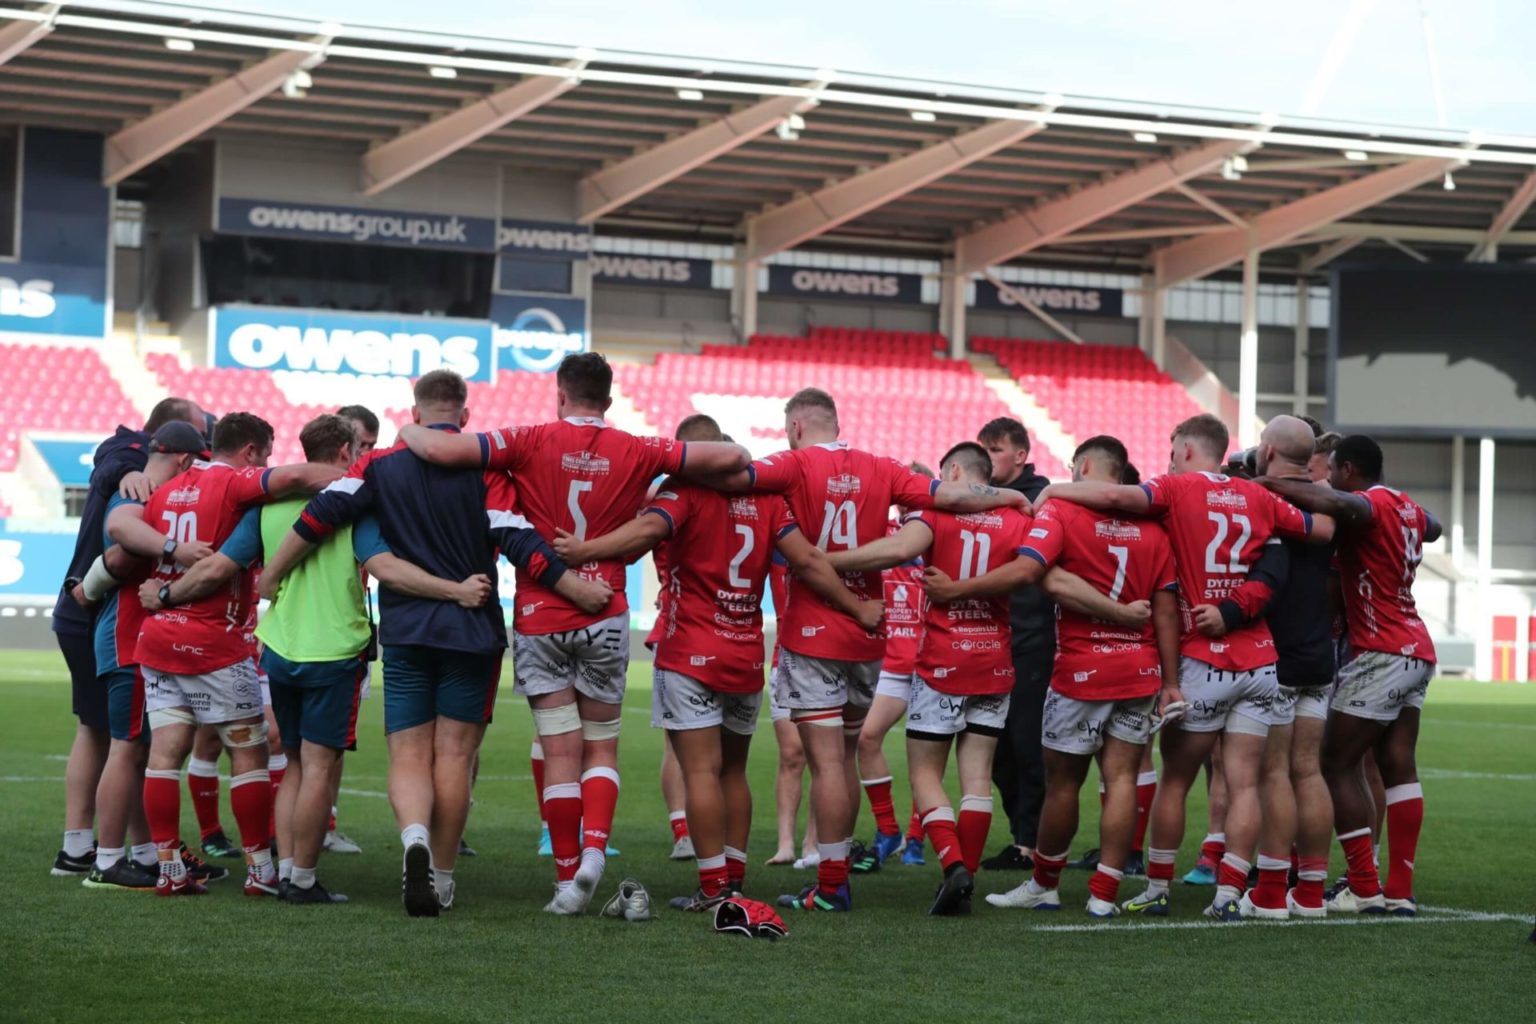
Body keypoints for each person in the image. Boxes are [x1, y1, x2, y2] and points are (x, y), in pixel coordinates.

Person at [395, 353, 750, 914]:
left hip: (542, 614)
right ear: (607, 401)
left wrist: (406, 425)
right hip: (605, 610)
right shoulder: (639, 447)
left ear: (559, 395)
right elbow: (733, 456)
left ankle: (565, 882)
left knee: (559, 752)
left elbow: (439, 448)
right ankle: (593, 855)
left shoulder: (529, 439)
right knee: (601, 745)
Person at [261, 371, 608, 916]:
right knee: (454, 756)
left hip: (407, 632)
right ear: (464, 418)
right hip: (471, 631)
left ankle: (414, 838)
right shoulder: (487, 469)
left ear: (416, 415)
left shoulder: (380, 466)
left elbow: (322, 513)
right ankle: (441, 876)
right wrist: (573, 587)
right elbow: (518, 540)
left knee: (407, 753)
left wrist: (272, 572)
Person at [146, 414, 498, 904]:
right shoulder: (355, 506)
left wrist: (164, 595)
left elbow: (219, 567)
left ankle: (285, 867)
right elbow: (387, 569)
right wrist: (454, 590)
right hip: (333, 649)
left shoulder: (266, 510)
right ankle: (304, 880)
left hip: (280, 647)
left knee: (291, 764)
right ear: (342, 454)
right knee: (318, 767)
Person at [719, 389, 1030, 913]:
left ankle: (834, 885)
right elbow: (949, 496)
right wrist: (1009, 497)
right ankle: (932, 866)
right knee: (850, 753)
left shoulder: (790, 464)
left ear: (796, 427)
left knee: (828, 765)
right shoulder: (882, 468)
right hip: (871, 635)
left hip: (815, 632)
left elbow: (734, 477)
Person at [551, 415, 877, 911]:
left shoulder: (684, 493)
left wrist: (584, 550)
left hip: (690, 653)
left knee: (699, 771)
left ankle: (712, 887)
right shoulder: (769, 501)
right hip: (744, 653)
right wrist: (858, 609)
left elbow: (642, 535)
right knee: (734, 771)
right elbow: (809, 562)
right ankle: (735, 878)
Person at [1035, 413, 1333, 921]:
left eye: (1174, 448)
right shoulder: (1259, 496)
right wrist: (1270, 486)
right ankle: (1230, 894)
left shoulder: (1175, 488)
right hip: (1261, 658)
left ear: (1189, 451)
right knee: (1246, 781)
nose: (1170, 457)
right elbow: (1322, 528)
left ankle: (1156, 887)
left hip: (1203, 656)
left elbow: (1111, 497)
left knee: (1174, 779)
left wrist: (1052, 492)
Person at [925, 436, 1178, 917]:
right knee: (1121, 778)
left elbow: (1037, 574)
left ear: (1081, 466)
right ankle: (1104, 895)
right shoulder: (1153, 529)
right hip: (1140, 670)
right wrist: (1168, 679)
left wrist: (956, 590)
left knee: (1063, 783)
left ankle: (1045, 884)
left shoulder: (1062, 513)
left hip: (1084, 670)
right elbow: (1165, 612)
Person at [133, 413, 342, 898]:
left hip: (160, 637)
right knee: (249, 753)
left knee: (165, 755)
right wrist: (359, 477)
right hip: (214, 641)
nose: (268, 462)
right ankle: (260, 871)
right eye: (265, 453)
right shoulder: (233, 484)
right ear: (250, 452)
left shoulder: (166, 491)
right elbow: (291, 478)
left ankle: (168, 868)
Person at [1259, 435, 1439, 916]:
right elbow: (1435, 527)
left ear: (1351, 470)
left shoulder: (1368, 504)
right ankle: (1399, 890)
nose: (1328, 478)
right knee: (1398, 763)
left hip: (1379, 649)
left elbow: (1330, 499)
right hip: (1417, 647)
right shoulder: (1405, 506)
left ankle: (1363, 884)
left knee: (1334, 764)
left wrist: (1260, 484)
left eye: (1333, 469)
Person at [49, 397, 203, 876]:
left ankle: (140, 851)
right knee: (116, 740)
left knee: (120, 739)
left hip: (94, 611)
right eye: (198, 439)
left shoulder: (139, 468)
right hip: (100, 617)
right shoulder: (130, 464)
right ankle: (89, 852)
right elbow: (118, 534)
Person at [1192, 416, 1337, 917]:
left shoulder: (1256, 496)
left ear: (1269, 451)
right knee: (1308, 771)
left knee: (1274, 772)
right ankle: (1312, 893)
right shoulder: (1328, 500)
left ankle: (1272, 892)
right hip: (1320, 651)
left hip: (1276, 650)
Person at [975, 417, 1055, 872]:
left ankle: (1033, 844)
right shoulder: (987, 501)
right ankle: (1021, 837)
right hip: (991, 640)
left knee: (1026, 745)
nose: (987, 459)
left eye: (996, 450)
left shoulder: (1039, 497)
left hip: (1032, 640)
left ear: (1021, 455)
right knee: (997, 748)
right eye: (982, 451)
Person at [853, 463, 932, 873]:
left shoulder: (934, 533)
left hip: (928, 663)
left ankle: (917, 839)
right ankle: (889, 831)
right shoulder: (882, 531)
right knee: (867, 738)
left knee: (924, 757)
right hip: (892, 660)